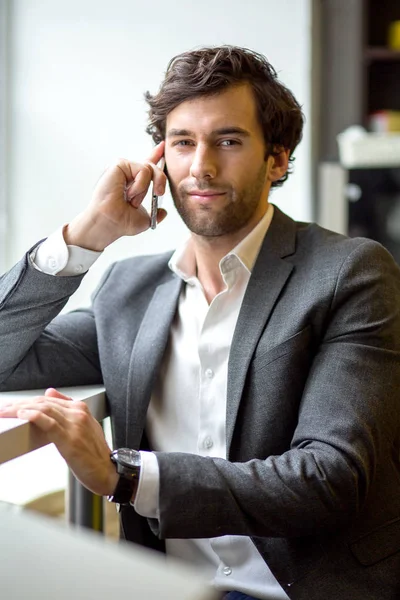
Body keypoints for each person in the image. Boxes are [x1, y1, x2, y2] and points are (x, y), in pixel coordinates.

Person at [0, 45, 399, 600]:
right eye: (183, 142)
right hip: (168, 587)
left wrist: (124, 476)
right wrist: (85, 236)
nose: (201, 166)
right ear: (161, 159)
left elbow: (330, 478)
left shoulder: (349, 273)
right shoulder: (130, 290)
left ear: (278, 159)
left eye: (228, 141)